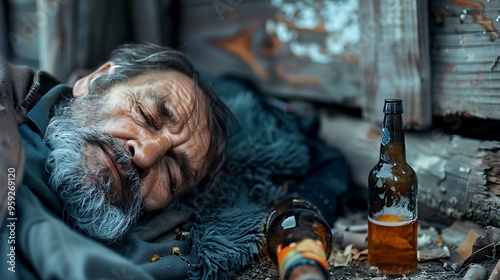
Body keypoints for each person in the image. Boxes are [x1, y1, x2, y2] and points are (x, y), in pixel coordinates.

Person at [1, 43, 350, 279]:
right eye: (145, 114)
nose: (147, 155)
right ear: (94, 81)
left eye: (172, 171)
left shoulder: (159, 251)